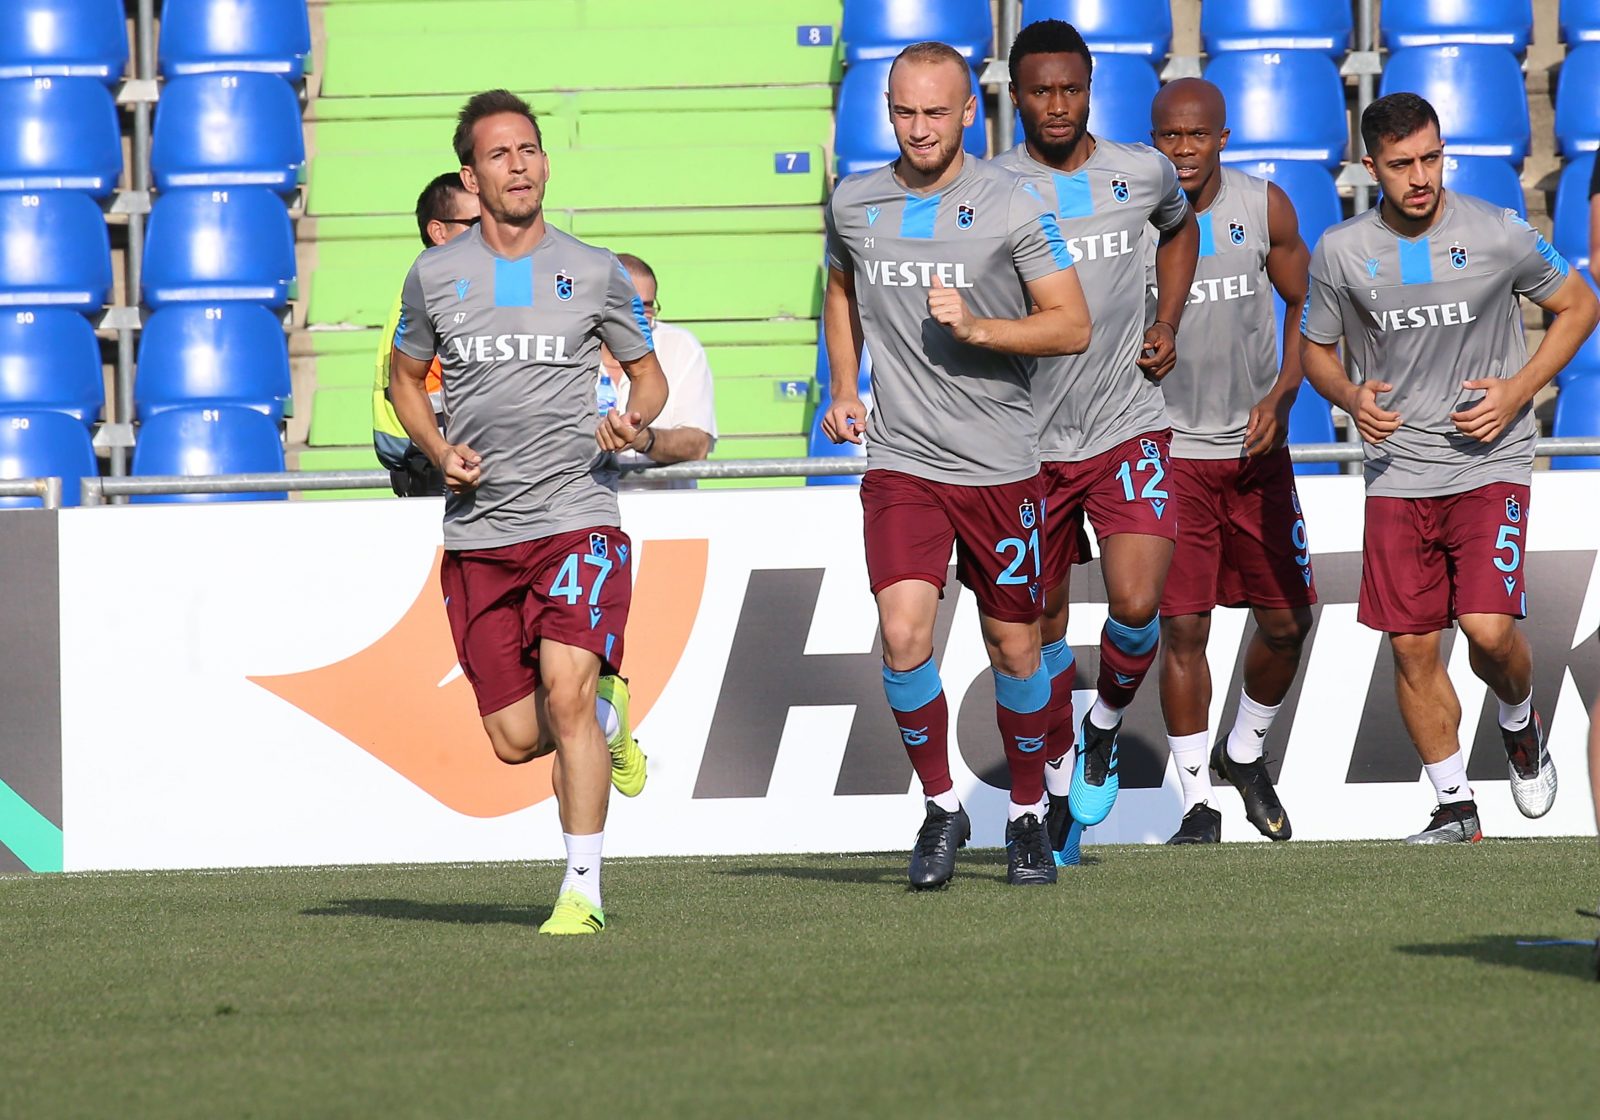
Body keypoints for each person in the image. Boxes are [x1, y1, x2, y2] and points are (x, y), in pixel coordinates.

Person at [389, 90, 669, 932]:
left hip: (577, 514)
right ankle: (611, 713)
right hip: (481, 530)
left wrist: (635, 418)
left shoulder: (594, 269)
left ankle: (582, 892)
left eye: (529, 149)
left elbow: (648, 375)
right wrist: (438, 449)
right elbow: (405, 380)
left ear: (544, 162)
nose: (519, 165)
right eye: (499, 155)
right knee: (515, 737)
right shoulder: (434, 275)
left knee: (566, 693)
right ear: (471, 177)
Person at [820, 40, 1091, 888]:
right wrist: (844, 384)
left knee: (1014, 649)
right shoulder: (854, 201)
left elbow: (1071, 324)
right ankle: (942, 808)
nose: (919, 128)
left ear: (970, 110)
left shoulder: (1013, 204)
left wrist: (979, 328)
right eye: (904, 112)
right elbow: (840, 286)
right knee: (904, 638)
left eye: (936, 111)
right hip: (902, 461)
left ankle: (1025, 816)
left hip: (1001, 466)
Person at [1300, 93, 1598, 843]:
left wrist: (1518, 390)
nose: (1421, 176)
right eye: (1402, 164)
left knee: (1489, 633)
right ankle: (1456, 807)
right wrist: (1348, 396)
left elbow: (1580, 305)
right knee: (1410, 646)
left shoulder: (1498, 231)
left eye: (1431, 158)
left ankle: (1519, 720)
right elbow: (1315, 351)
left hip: (1489, 462)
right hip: (1398, 469)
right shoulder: (1340, 250)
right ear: (1369, 167)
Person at [992, 19, 1198, 860]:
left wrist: (1167, 319)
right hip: (1024, 444)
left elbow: (1180, 227)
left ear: (1089, 90)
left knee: (1139, 605)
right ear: (1014, 96)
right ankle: (1051, 794)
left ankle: (1104, 727)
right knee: (1037, 626)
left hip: (1126, 424)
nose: (1057, 105)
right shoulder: (988, 188)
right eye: (1040, 91)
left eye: (1070, 89)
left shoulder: (1140, 171)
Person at [1148, 79, 1317, 845]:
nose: (1182, 150)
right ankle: (1196, 804)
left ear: (1223, 137)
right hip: (1171, 454)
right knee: (1184, 630)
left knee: (1287, 624)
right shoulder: (1134, 216)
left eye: (1196, 135)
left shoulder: (1264, 206)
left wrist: (1282, 396)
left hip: (1256, 456)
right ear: (1153, 140)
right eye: (1169, 136)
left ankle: (1243, 752)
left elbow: (1311, 305)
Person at [373, 172, 480, 497]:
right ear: (438, 232)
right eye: (475, 223)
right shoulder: (437, 295)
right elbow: (427, 392)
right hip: (441, 463)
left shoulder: (437, 289)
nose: (489, 231)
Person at [598, 253, 718, 489]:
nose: (641, 317)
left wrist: (642, 439)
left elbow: (698, 445)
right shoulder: (571, 348)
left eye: (648, 307)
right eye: (631, 305)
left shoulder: (680, 346)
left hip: (664, 507)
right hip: (588, 506)